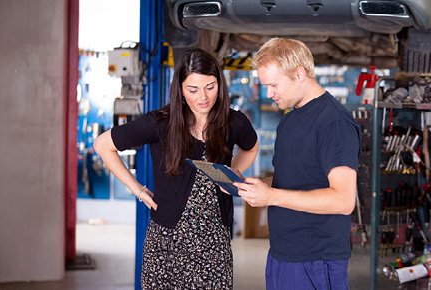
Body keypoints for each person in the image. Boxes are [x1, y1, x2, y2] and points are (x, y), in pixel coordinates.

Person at [93, 48, 258, 289]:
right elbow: (102, 145)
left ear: (220, 85)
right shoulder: (160, 122)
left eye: (210, 87)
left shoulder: (234, 122)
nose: (203, 97)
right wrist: (137, 190)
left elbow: (251, 148)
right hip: (165, 243)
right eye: (193, 90)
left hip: (214, 244)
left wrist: (231, 176)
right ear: (180, 90)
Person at [235, 38, 361, 290]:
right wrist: (260, 187)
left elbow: (343, 201)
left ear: (299, 73)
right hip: (282, 253)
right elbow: (296, 179)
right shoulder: (289, 120)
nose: (269, 93)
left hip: (316, 259)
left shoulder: (334, 123)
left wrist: (271, 196)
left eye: (273, 84)